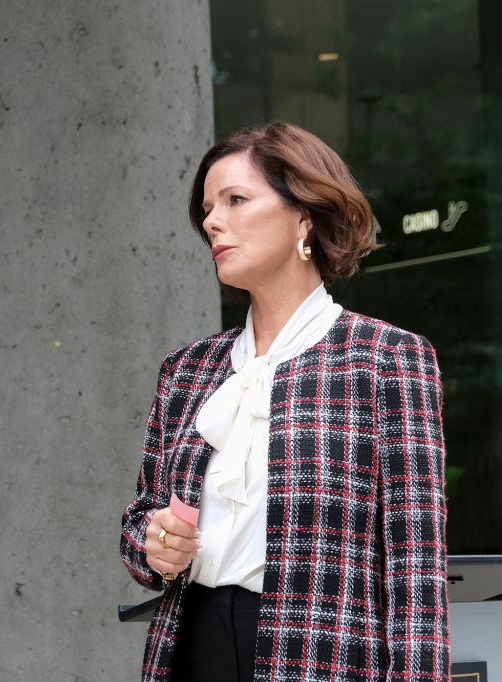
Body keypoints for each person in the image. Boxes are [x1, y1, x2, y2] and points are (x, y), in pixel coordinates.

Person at [120, 121, 450, 681]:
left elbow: (416, 571)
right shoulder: (187, 369)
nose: (211, 221)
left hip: (322, 654)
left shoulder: (386, 358)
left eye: (236, 200)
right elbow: (140, 521)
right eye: (207, 207)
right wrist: (152, 543)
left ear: (305, 216)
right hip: (191, 647)